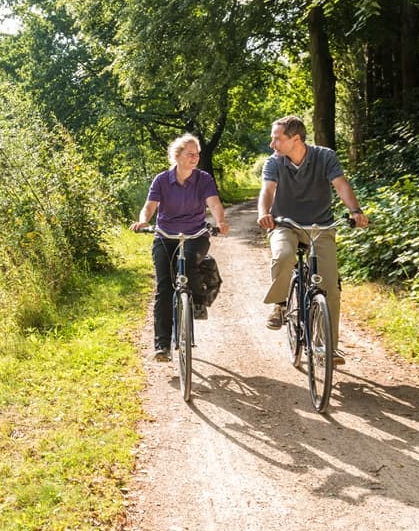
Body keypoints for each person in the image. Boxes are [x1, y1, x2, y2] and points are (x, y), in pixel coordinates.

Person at [256, 115, 369, 365]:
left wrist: (355, 211)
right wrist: (264, 214)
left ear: (295, 139)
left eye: (277, 138)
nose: (272, 144)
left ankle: (327, 347)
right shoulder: (274, 162)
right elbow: (267, 191)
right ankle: (281, 303)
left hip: (321, 227)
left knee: (329, 286)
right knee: (284, 256)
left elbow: (340, 185)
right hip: (285, 224)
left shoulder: (325, 156)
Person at [130, 134, 229, 362]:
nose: (195, 158)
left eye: (197, 154)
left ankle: (197, 300)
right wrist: (144, 220)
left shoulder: (203, 179)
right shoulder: (162, 180)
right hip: (165, 235)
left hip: (195, 234)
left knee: (190, 262)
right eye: (190, 154)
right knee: (164, 287)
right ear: (177, 156)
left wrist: (220, 221)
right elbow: (150, 206)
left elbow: (214, 203)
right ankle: (162, 346)